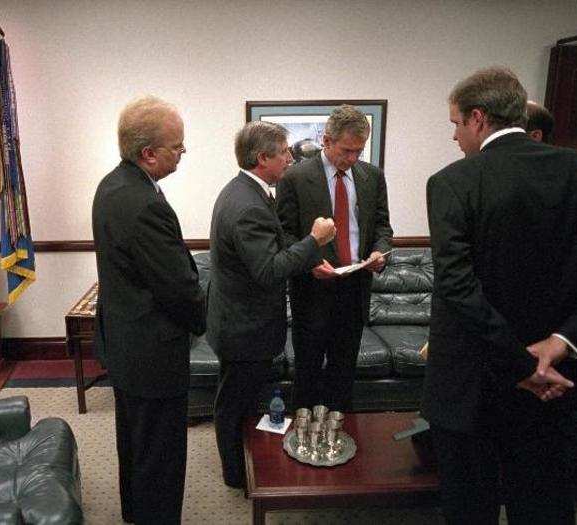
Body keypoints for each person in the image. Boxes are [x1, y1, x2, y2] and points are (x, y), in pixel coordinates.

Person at [424, 66, 577, 524]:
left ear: (478, 118)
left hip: (470, 388)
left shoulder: (452, 181)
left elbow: (458, 287)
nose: (455, 136)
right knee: (544, 505)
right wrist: (559, 345)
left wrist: (522, 365)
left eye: (456, 123)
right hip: (556, 382)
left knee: (469, 509)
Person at [92, 96, 206, 525]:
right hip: (152, 354)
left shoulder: (112, 185)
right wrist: (200, 319)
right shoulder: (145, 204)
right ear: (148, 153)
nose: (182, 153)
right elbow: (177, 286)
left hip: (126, 345)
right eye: (177, 146)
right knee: (160, 456)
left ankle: (135, 514)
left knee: (136, 445)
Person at [207, 121, 335, 488]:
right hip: (245, 328)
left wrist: (306, 256)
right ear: (262, 158)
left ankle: (241, 469)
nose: (290, 158)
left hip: (238, 322)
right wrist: (314, 240)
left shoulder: (245, 191)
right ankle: (237, 475)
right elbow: (268, 270)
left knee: (238, 402)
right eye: (283, 152)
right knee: (235, 406)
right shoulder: (247, 204)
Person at [276, 105, 393, 411]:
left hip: (355, 289)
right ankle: (302, 442)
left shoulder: (372, 177)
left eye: (359, 150)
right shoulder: (295, 178)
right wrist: (310, 262)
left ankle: (340, 439)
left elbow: (382, 225)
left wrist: (380, 251)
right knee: (308, 373)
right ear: (327, 140)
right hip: (312, 291)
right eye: (347, 150)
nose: (353, 158)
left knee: (343, 374)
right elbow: (284, 236)